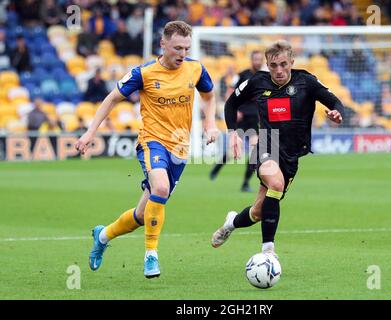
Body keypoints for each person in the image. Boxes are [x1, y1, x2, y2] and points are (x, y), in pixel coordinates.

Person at [75, 21, 219, 278]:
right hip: (152, 141)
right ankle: (151, 256)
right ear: (163, 44)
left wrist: (210, 125)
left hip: (180, 148)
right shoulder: (144, 73)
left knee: (142, 215)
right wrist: (90, 132)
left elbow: (209, 95)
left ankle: (103, 236)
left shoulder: (195, 69)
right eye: (177, 48)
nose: (182, 54)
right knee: (161, 188)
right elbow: (111, 99)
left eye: (186, 48)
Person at [210, 40, 343, 258]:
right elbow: (230, 104)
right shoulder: (257, 82)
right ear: (267, 64)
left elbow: (335, 102)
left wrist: (336, 113)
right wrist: (233, 133)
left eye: (283, 64)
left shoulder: (306, 82)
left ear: (291, 62)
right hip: (267, 144)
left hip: (292, 154)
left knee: (257, 212)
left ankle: (230, 223)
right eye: (273, 65)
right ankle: (268, 251)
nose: (279, 70)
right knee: (276, 183)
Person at [210, 50, 264, 192]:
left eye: (260, 59)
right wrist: (236, 109)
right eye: (255, 59)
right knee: (232, 152)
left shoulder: (264, 78)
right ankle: (216, 168)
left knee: (255, 151)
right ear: (251, 60)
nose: (258, 61)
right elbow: (230, 92)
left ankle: (245, 183)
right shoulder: (242, 75)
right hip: (241, 117)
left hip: (254, 119)